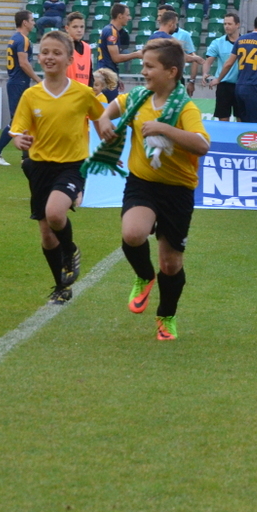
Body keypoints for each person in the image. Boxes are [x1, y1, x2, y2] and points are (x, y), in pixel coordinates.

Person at [91, 39, 210, 340]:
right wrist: (103, 119)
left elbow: (202, 144)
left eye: (149, 66)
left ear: (171, 72)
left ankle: (166, 316)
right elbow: (114, 106)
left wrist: (165, 128)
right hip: (142, 182)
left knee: (170, 264)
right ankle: (144, 276)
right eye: (143, 65)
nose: (143, 72)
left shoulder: (186, 107)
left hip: (178, 190)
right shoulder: (138, 97)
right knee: (133, 233)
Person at [9, 31, 105, 304]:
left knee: (54, 213)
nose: (49, 57)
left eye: (56, 53)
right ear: (39, 58)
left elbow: (101, 118)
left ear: (69, 59)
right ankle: (61, 286)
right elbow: (18, 130)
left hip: (72, 165)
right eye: (45, 52)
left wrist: (105, 150)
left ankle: (70, 250)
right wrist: (18, 140)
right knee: (47, 235)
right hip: (39, 167)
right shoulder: (31, 95)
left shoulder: (83, 93)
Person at [0, 11, 40, 166]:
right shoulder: (23, 39)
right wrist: (38, 79)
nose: (34, 23)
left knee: (25, 118)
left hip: (15, 81)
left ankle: (26, 156)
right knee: (17, 120)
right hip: (19, 82)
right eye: (32, 20)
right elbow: (23, 63)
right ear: (25, 22)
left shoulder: (14, 38)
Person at [213, 11, 257, 124]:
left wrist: (218, 79)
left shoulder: (240, 40)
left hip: (239, 87)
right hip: (254, 86)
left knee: (243, 122)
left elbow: (228, 63)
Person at [201, 12, 241, 122]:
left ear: (237, 25)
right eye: (225, 24)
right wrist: (205, 73)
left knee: (241, 118)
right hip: (224, 85)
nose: (226, 26)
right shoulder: (218, 43)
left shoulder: (245, 42)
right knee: (223, 118)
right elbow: (208, 61)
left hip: (241, 84)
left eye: (229, 24)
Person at [95, 4, 143, 96]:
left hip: (107, 74)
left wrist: (116, 77)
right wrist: (136, 54)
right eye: (127, 15)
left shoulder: (110, 30)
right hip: (106, 76)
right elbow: (116, 58)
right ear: (120, 16)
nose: (129, 18)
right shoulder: (111, 32)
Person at [63, 12, 93, 87]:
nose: (79, 30)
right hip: (68, 92)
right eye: (75, 27)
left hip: (83, 92)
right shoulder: (63, 46)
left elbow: (90, 75)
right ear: (67, 28)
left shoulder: (87, 48)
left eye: (82, 27)